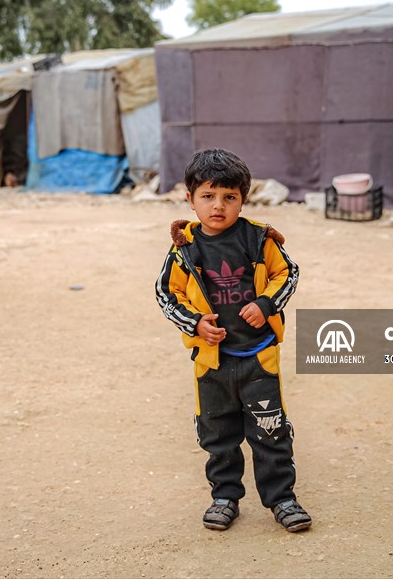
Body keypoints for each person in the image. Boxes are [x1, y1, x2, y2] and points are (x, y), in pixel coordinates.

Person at [155, 148, 311, 533]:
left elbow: (287, 273)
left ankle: (282, 499)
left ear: (243, 198)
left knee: (270, 429)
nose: (218, 206)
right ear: (190, 200)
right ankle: (224, 496)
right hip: (212, 361)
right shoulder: (184, 248)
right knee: (217, 432)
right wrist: (194, 323)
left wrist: (266, 303)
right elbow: (165, 294)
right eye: (208, 196)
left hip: (258, 356)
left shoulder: (259, 239)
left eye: (229, 197)